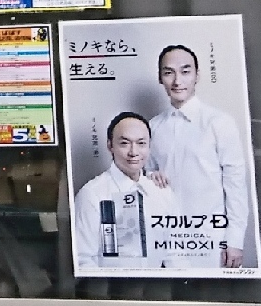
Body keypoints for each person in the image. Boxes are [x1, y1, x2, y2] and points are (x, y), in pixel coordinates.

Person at [145, 44, 255, 269]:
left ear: (197, 75)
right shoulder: (152, 127)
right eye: (169, 72)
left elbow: (235, 185)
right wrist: (150, 176)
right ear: (160, 78)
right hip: (165, 240)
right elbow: (144, 176)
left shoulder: (219, 123)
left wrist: (234, 240)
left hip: (210, 241)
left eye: (185, 71)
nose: (177, 81)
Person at [71, 113, 183, 269]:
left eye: (141, 143)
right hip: (111, 283)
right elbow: (82, 259)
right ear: (110, 146)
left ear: (149, 146)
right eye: (124, 143)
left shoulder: (161, 191)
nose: (133, 152)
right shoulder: (92, 195)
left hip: (158, 282)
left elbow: (175, 253)